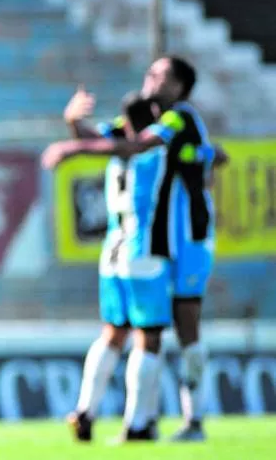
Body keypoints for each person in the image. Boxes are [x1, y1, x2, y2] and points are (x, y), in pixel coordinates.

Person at [46, 56, 227, 442]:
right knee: (147, 332)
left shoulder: (179, 119)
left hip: (186, 240)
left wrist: (73, 142)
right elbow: (111, 139)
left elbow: (129, 143)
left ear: (179, 87)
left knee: (182, 326)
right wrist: (74, 124)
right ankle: (138, 422)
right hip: (150, 247)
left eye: (160, 74)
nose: (150, 76)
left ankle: (191, 420)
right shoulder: (137, 132)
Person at [64, 92, 171, 442]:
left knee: (112, 333)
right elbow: (127, 145)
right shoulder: (153, 145)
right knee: (149, 338)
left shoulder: (116, 141)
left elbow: (91, 136)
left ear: (125, 122)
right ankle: (138, 424)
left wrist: (73, 121)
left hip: (112, 252)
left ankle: (85, 411)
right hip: (145, 253)